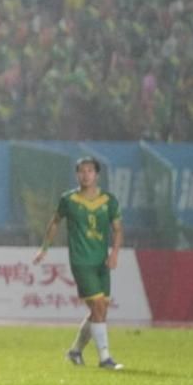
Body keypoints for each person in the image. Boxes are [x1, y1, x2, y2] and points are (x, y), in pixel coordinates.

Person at [32, 158, 124, 369]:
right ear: (77, 175)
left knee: (100, 310)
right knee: (98, 306)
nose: (85, 175)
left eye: (90, 171)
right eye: (81, 171)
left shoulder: (109, 201)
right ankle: (105, 358)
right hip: (81, 261)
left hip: (102, 262)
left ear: (97, 175)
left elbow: (118, 229)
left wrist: (115, 253)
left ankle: (75, 351)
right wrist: (44, 248)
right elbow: (55, 222)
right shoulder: (69, 199)